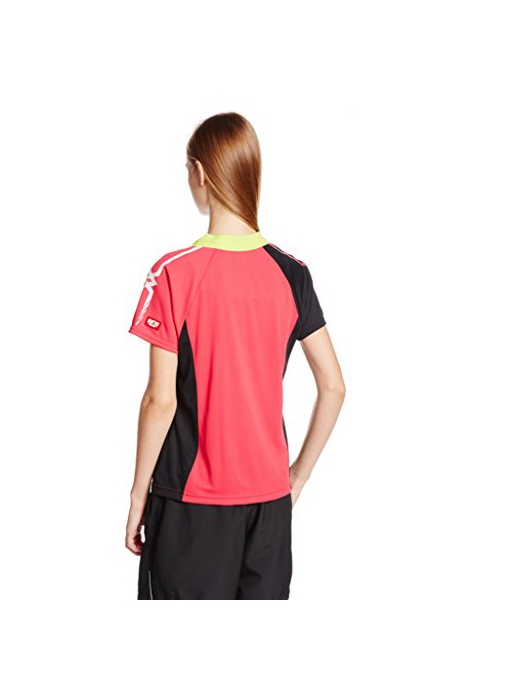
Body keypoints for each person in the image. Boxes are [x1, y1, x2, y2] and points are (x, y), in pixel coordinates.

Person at [125, 112, 346, 599]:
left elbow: (160, 402)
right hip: (269, 507)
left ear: (201, 173)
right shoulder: (292, 273)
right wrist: (297, 477)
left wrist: (138, 496)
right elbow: (333, 386)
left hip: (189, 503)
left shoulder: (174, 273)